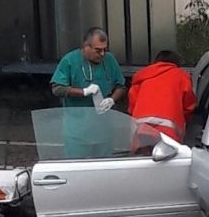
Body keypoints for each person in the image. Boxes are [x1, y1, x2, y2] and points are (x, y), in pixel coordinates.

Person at [50, 27, 126, 158]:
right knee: (77, 170)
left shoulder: (109, 60)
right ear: (86, 47)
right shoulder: (70, 60)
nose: (102, 54)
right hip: (77, 131)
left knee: (103, 169)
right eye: (98, 50)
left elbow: (121, 86)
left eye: (104, 49)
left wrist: (112, 99)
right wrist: (83, 91)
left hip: (103, 130)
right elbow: (57, 88)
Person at [128, 50, 196, 148]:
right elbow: (189, 106)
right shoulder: (182, 76)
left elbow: (132, 106)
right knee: (168, 160)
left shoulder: (142, 77)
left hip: (141, 131)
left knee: (142, 160)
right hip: (168, 133)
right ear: (175, 63)